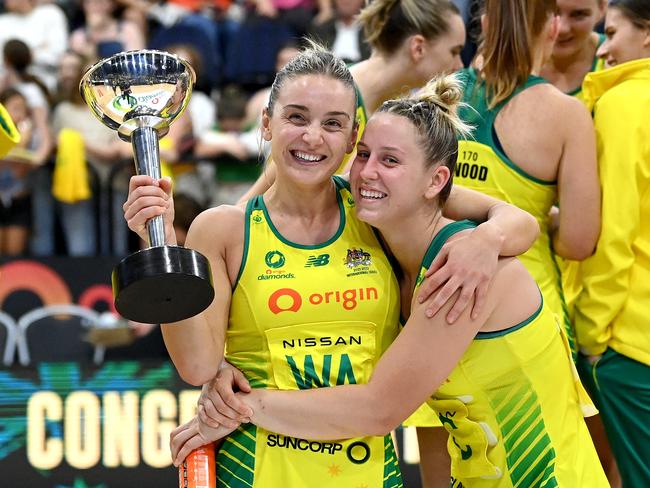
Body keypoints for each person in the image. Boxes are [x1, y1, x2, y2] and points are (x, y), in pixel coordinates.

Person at [124, 45, 539, 486]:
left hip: (368, 471)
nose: (313, 137)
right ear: (267, 122)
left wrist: (486, 240)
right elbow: (198, 366)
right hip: (254, 471)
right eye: (297, 117)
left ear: (352, 136)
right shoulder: (222, 229)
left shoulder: (377, 206)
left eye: (333, 124)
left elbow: (517, 221)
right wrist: (162, 246)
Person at [238, 0, 466, 200]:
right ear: (418, 48)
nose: (459, 66)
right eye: (454, 52)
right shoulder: (331, 95)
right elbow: (257, 200)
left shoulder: (391, 110)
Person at [573, 1, 650, 486]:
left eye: (613, 32)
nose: (604, 47)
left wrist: (593, 336)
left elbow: (613, 229)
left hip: (631, 347)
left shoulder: (624, 105)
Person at [540, 0, 607, 101]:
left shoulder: (620, 61)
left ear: (602, 8)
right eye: (552, 12)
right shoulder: (512, 61)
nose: (562, 29)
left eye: (578, 14)